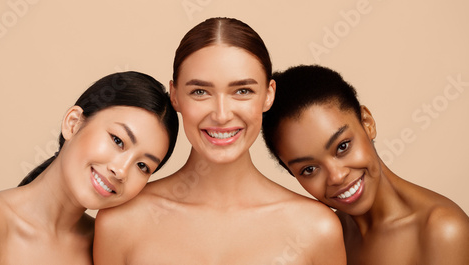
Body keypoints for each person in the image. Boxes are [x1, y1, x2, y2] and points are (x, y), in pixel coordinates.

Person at [93, 18, 346, 264]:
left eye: (242, 91)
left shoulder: (317, 230)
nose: (222, 115)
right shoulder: (120, 221)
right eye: (200, 92)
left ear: (268, 95)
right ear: (175, 96)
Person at [262, 64, 469, 265]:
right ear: (292, 173)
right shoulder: (326, 238)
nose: (336, 176)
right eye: (309, 169)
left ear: (367, 123)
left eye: (342, 147)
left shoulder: (442, 231)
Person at [0, 71, 178, 265]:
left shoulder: (105, 247)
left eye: (142, 166)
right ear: (73, 123)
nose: (121, 171)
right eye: (118, 140)